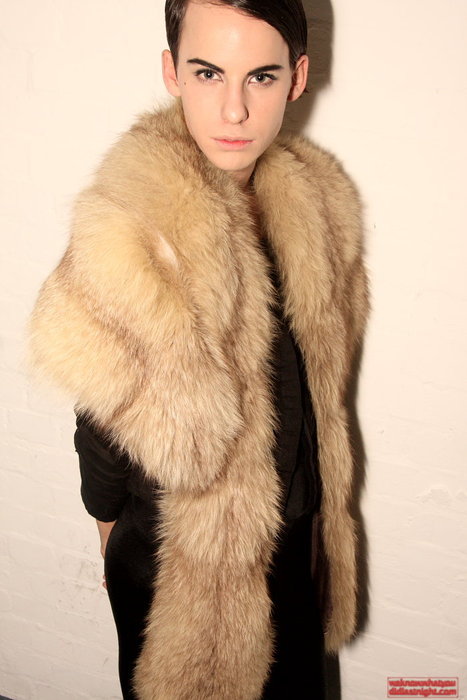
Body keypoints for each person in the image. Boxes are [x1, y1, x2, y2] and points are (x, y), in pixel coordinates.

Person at [28, 0, 369, 698]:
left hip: (296, 544)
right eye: (209, 73)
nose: (234, 110)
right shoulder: (130, 222)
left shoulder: (320, 208)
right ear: (172, 72)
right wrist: (111, 538)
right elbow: (100, 423)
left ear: (298, 78)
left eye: (261, 77)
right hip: (179, 565)